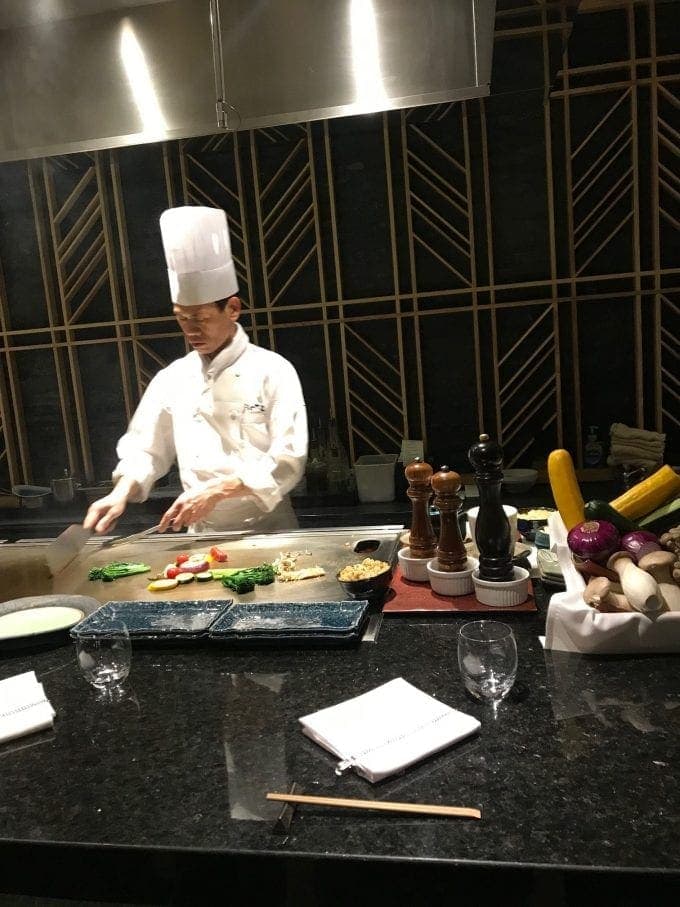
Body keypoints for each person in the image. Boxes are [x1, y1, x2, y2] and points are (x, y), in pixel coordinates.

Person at [84, 205, 308, 535]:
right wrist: (119, 493)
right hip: (201, 538)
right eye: (181, 318)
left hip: (269, 535)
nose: (191, 330)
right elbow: (145, 449)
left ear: (232, 308)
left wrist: (216, 491)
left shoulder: (273, 370)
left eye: (201, 318)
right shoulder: (173, 378)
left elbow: (289, 461)